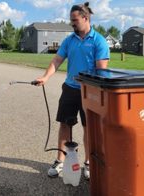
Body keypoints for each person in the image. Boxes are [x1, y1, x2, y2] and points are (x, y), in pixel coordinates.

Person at [35, 2, 109, 179]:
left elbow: (101, 72)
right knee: (64, 124)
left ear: (85, 18)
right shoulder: (69, 40)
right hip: (70, 88)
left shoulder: (99, 41)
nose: (72, 24)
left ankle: (88, 163)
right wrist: (45, 77)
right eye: (71, 21)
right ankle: (60, 161)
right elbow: (57, 61)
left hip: (89, 91)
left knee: (88, 127)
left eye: (75, 20)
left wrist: (95, 91)